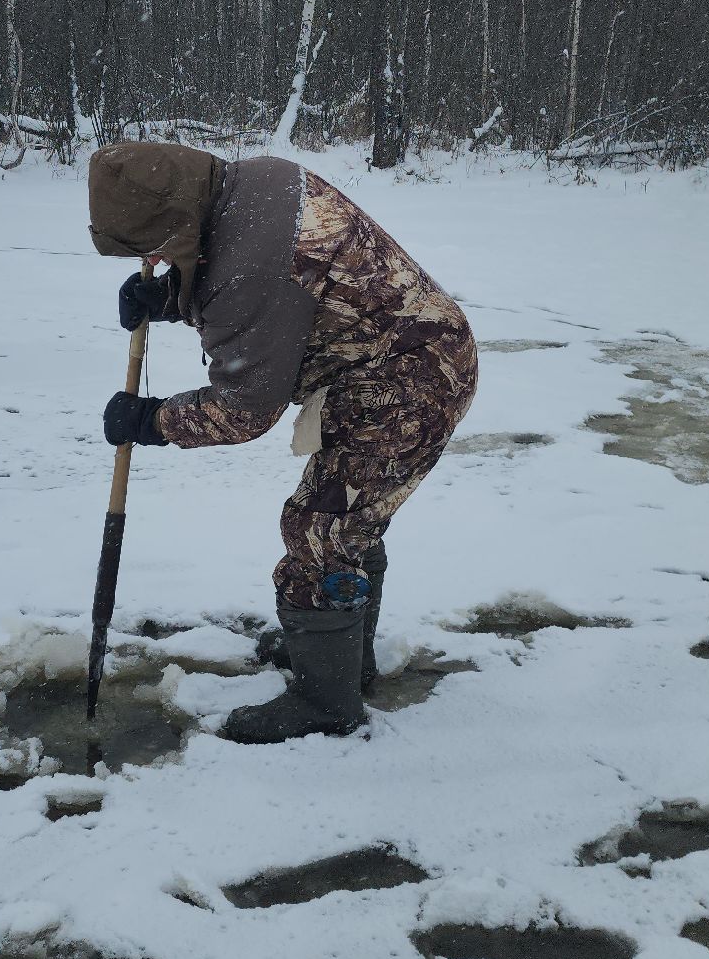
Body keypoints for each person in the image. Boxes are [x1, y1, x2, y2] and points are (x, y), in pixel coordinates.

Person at [89, 142, 477, 744]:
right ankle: (337, 655)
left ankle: (327, 704)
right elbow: (277, 284)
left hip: (405, 388)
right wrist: (173, 295)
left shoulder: (250, 273)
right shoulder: (255, 181)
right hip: (411, 352)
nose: (152, 259)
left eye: (153, 246)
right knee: (345, 525)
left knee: (321, 533)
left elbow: (243, 411)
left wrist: (153, 421)